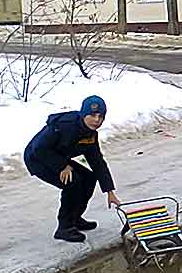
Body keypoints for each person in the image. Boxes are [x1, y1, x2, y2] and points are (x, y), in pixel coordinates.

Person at [24, 95, 122, 242]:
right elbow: (39, 148)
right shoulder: (64, 126)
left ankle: (75, 218)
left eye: (101, 116)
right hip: (38, 158)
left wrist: (109, 191)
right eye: (92, 115)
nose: (97, 120)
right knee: (73, 182)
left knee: (89, 177)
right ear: (83, 114)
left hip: (59, 157)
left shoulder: (90, 134)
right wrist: (62, 166)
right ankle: (64, 227)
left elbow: (97, 162)